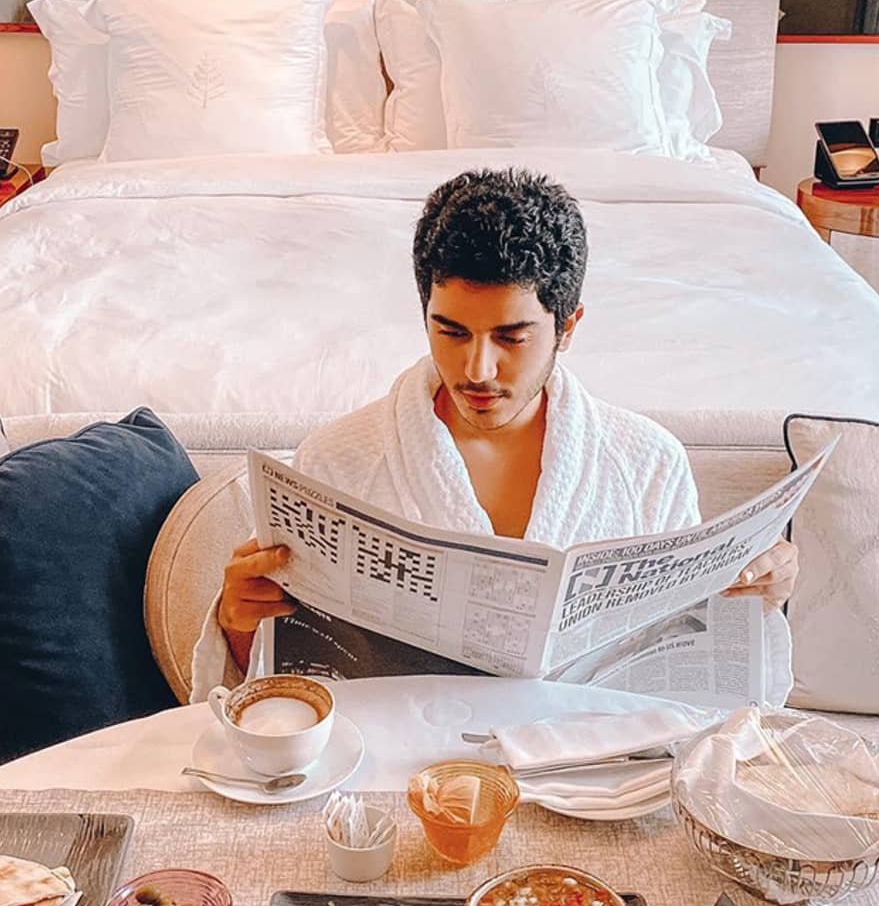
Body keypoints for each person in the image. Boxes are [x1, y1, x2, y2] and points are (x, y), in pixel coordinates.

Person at [192, 167, 798, 691]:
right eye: (451, 332)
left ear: (568, 326)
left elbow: (677, 662)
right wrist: (237, 623)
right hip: (403, 769)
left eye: (511, 337)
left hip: (584, 775)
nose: (477, 370)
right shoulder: (335, 462)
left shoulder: (646, 463)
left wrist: (754, 596)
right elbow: (274, 688)